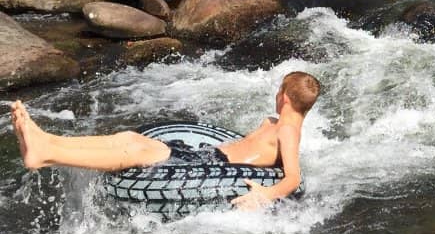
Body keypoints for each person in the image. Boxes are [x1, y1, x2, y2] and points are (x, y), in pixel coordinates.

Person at [9, 71, 321, 211]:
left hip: (207, 169)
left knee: (134, 147)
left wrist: (265, 195)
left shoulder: (288, 131)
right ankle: (47, 142)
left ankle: (46, 151)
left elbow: (293, 176)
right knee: (131, 139)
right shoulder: (276, 122)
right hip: (205, 158)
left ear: (283, 96)